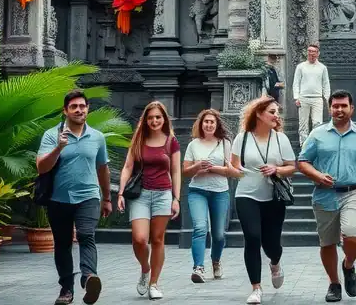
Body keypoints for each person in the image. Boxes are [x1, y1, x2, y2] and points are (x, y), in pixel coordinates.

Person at [298, 90, 356, 302]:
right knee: (327, 243)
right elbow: (302, 162)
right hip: (324, 194)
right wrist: (318, 175)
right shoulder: (317, 134)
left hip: (353, 192)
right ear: (329, 108)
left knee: (352, 234)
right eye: (335, 106)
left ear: (351, 108)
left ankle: (348, 265)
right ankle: (334, 283)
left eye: (344, 105)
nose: (339, 109)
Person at [36, 90, 112, 305]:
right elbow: (42, 167)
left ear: (88, 108)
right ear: (65, 111)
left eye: (82, 106)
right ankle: (66, 290)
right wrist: (59, 147)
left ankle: (88, 278)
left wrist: (107, 198)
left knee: (87, 235)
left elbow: (102, 168)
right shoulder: (52, 135)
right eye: (74, 106)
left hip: (88, 197)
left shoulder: (97, 136)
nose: (79, 110)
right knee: (62, 244)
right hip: (58, 199)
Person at [230, 96, 298, 304]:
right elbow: (233, 166)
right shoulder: (242, 138)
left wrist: (276, 169)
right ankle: (256, 288)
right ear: (259, 113)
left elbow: (292, 167)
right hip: (246, 194)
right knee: (252, 237)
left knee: (272, 244)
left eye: (277, 112)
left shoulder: (281, 139)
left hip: (273, 197)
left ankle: (275, 262)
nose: (276, 116)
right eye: (272, 112)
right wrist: (238, 172)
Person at [116, 101, 181, 300]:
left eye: (158, 117)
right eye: (151, 118)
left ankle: (154, 283)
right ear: (145, 120)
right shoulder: (138, 140)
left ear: (164, 119)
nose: (154, 121)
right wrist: (120, 193)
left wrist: (176, 198)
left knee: (158, 239)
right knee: (140, 239)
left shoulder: (171, 141)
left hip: (163, 194)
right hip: (140, 195)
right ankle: (145, 268)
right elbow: (127, 167)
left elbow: (176, 171)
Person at [182, 109, 233, 283]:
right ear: (201, 124)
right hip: (197, 191)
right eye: (206, 122)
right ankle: (198, 267)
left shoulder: (225, 143)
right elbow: (185, 172)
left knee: (218, 234)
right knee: (200, 228)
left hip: (220, 192)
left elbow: (232, 171)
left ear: (217, 124)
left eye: (212, 122)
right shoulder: (193, 144)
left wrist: (212, 168)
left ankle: (216, 261)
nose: (209, 125)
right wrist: (197, 166)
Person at [293, 43, 331, 146]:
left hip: (317, 98)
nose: (311, 54)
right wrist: (296, 97)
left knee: (317, 123)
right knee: (303, 124)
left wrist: (327, 98)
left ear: (318, 53)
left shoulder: (322, 68)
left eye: (313, 52)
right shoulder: (301, 67)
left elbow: (325, 84)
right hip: (303, 98)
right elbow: (296, 82)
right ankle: (303, 146)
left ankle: (316, 144)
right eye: (309, 51)